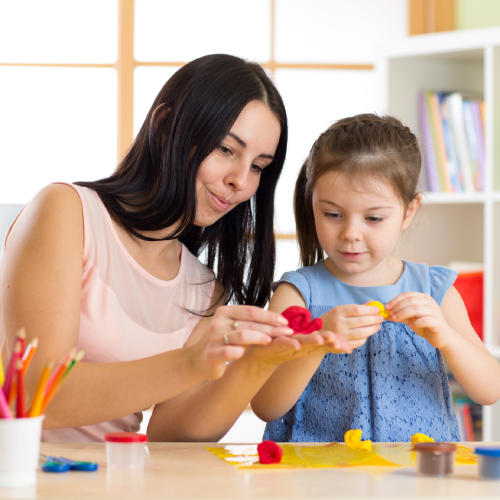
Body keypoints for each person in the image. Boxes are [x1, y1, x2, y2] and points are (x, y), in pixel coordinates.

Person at [0, 54, 352, 442]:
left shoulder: (204, 289)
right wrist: (191, 362)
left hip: (115, 480)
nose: (241, 181)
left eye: (258, 166)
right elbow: (36, 393)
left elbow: (171, 437)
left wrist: (254, 364)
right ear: (165, 126)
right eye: (225, 149)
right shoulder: (67, 211)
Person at [251, 114, 500, 443]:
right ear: (312, 204)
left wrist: (446, 338)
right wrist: (318, 340)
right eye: (333, 214)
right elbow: (266, 405)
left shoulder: (435, 291)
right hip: (319, 479)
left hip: (418, 479)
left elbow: (489, 390)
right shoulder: (298, 295)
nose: (351, 234)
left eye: (373, 218)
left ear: (408, 212)